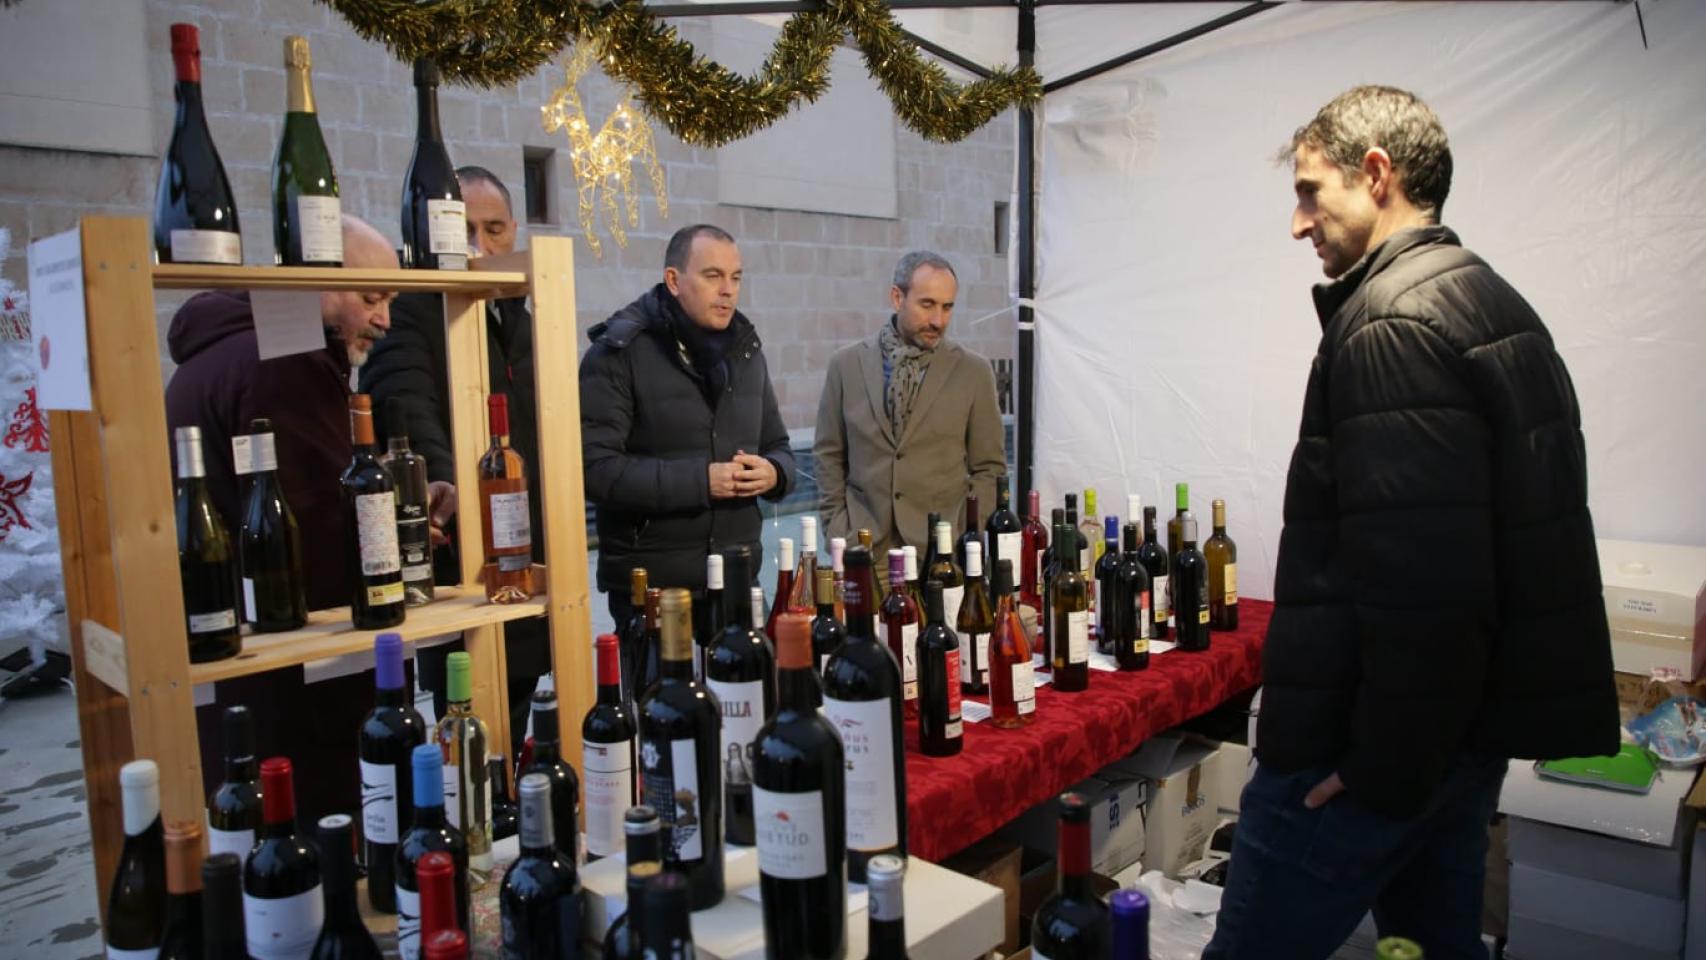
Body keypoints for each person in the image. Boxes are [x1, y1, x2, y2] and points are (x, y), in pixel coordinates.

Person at [1203, 86, 1618, 960]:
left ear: (1376, 174)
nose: (1297, 223)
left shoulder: (1390, 323)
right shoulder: (1491, 300)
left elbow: (1427, 587)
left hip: (1370, 750)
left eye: (1310, 192)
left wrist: (1379, 768)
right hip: (1458, 739)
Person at [167, 214, 416, 822]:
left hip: (237, 646)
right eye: (371, 297)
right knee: (318, 830)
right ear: (318, 281)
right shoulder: (288, 358)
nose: (384, 319)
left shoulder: (219, 354)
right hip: (296, 671)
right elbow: (319, 520)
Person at [359, 166, 545, 747]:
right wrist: (442, 478)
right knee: (465, 726)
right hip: (460, 558)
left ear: (514, 232)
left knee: (518, 718)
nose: (479, 246)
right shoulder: (410, 308)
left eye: (494, 229)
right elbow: (402, 400)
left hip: (528, 557)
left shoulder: (521, 317)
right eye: (464, 230)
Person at [580, 223, 795, 631]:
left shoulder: (746, 351)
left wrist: (774, 473)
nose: (728, 290)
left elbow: (779, 446)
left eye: (736, 278)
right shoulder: (617, 354)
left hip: (738, 579)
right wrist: (703, 481)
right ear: (674, 280)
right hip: (655, 591)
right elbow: (595, 470)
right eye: (713, 276)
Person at [813, 250, 1005, 557]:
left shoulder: (974, 372)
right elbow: (829, 455)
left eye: (947, 307)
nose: (938, 320)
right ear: (897, 297)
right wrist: (838, 528)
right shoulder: (846, 366)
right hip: (863, 548)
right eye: (927, 304)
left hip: (940, 552)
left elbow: (989, 469)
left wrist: (964, 532)